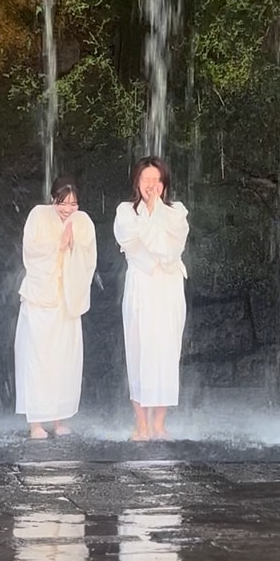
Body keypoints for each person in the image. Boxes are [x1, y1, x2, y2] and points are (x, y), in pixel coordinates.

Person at [13, 176, 97, 440]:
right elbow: (30, 252)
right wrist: (57, 245)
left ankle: (60, 419)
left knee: (65, 358)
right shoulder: (38, 215)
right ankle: (36, 422)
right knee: (37, 358)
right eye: (62, 202)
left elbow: (89, 258)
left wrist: (74, 246)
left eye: (73, 203)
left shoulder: (83, 221)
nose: (67, 209)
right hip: (40, 299)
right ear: (53, 199)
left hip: (67, 300)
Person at [113, 156, 189, 441]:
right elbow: (131, 244)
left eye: (156, 180)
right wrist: (151, 221)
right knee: (139, 350)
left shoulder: (176, 211)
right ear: (137, 182)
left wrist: (156, 215)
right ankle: (141, 424)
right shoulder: (125, 211)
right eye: (146, 179)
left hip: (168, 287)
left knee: (166, 352)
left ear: (164, 183)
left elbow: (173, 248)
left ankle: (159, 423)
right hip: (141, 286)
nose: (151, 185)